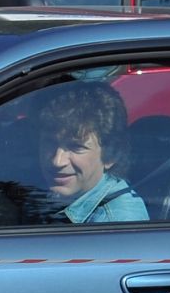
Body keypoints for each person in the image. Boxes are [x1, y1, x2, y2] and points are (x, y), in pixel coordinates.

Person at [35, 82, 149, 224]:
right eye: (50, 143)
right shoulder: (66, 195)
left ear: (112, 154)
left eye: (76, 147)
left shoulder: (115, 224)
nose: (57, 161)